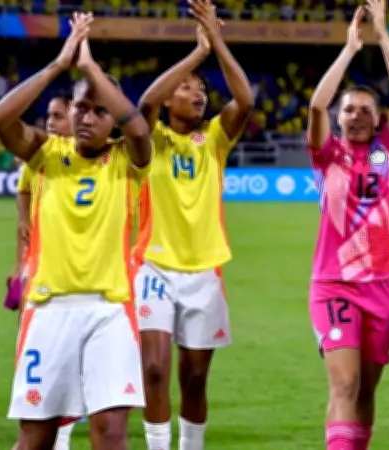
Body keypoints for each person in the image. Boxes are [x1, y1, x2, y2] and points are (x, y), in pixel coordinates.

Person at [0, 12, 151, 450]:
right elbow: (0, 119)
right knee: (36, 437)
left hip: (110, 310)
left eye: (102, 111)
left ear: (113, 119)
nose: (88, 117)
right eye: (82, 107)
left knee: (111, 432)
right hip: (48, 311)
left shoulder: (127, 158)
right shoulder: (46, 152)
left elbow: (138, 127)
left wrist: (92, 70)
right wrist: (60, 66)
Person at [130, 1, 254, 449]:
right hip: (154, 267)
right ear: (171, 99)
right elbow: (146, 101)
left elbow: (246, 100)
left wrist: (216, 43)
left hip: (205, 271)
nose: (196, 92)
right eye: (186, 87)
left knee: (196, 379)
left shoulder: (215, 137)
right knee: (155, 368)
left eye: (201, 88)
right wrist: (196, 54)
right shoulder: (151, 139)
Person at [307, 2, 389, 448]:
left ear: (379, 119)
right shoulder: (328, 157)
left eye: (365, 110)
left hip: (386, 284)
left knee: (366, 389)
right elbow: (316, 104)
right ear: (339, 119)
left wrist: (383, 36)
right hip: (335, 285)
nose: (357, 115)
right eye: (349, 110)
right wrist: (348, 49)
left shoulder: (388, 153)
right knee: (344, 383)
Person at [7, 95, 72, 314]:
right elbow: (24, 190)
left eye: (58, 116)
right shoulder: (37, 157)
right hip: (40, 258)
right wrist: (25, 217)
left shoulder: (92, 155)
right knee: (28, 320)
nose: (50, 122)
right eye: (49, 116)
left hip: (76, 260)